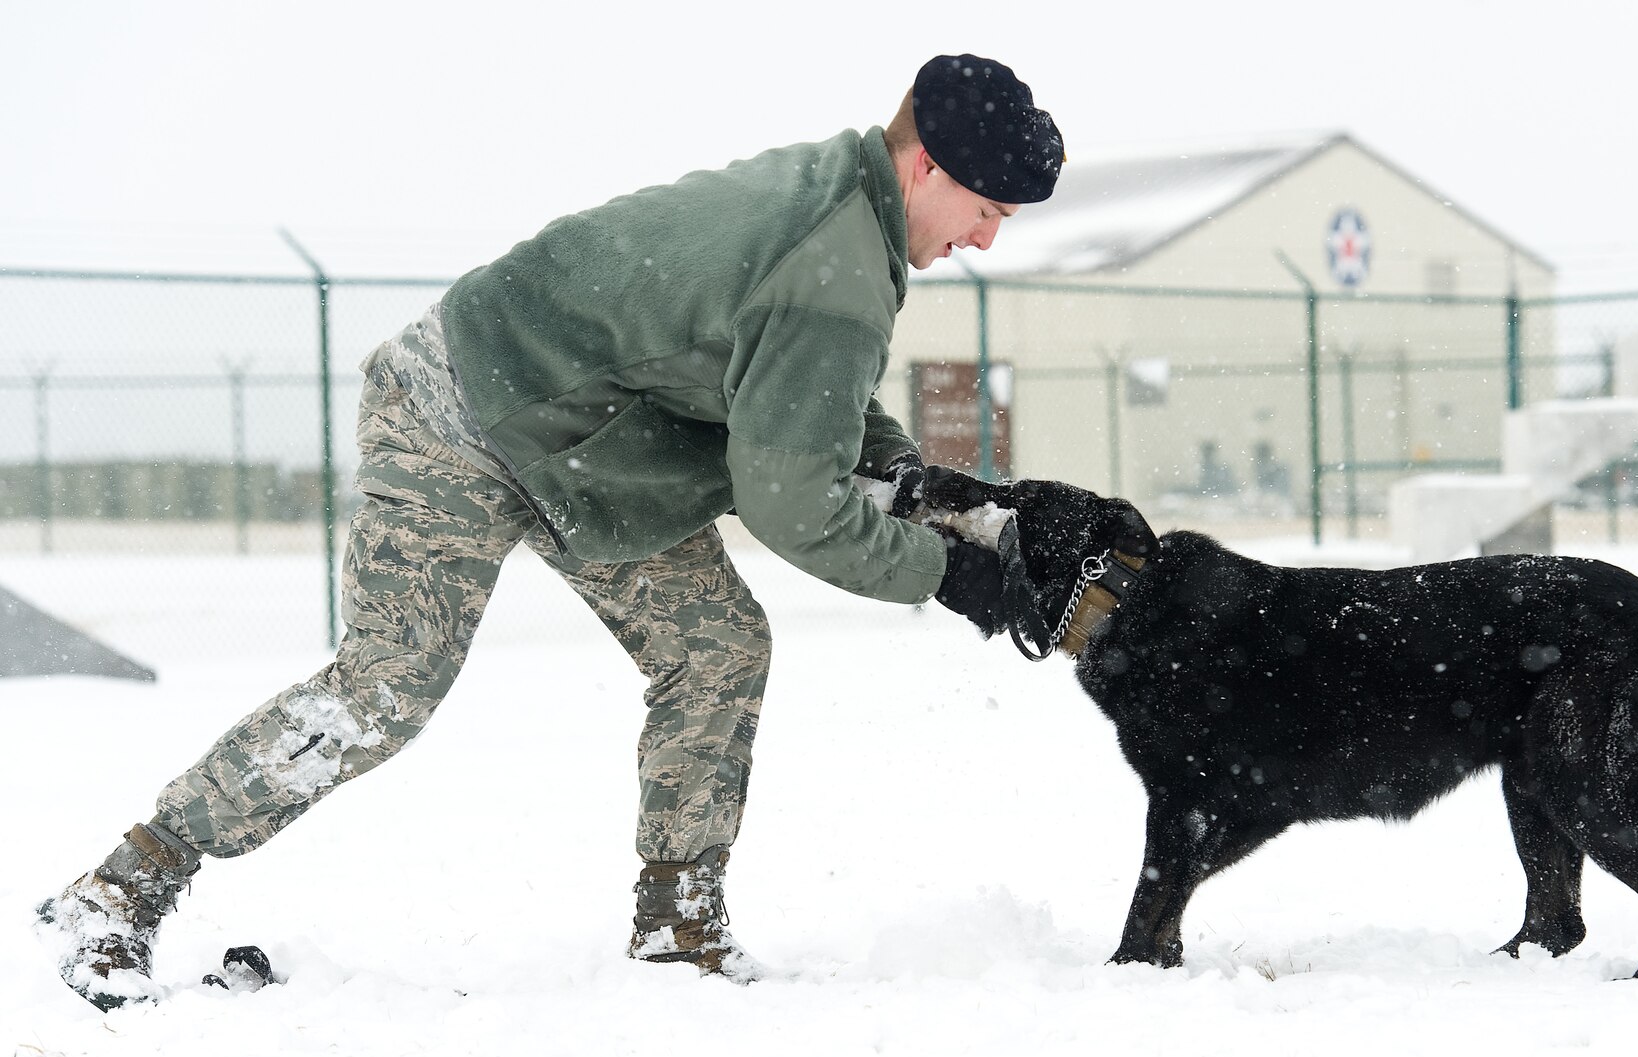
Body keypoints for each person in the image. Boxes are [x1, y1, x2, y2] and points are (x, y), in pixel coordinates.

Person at [37, 53, 1064, 1008]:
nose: (985, 238)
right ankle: (123, 885)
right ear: (924, 166)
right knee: (387, 684)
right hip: (461, 413)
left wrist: (897, 468)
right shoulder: (834, 259)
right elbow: (793, 504)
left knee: (715, 649)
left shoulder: (843, 211)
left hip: (589, 452)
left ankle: (678, 930)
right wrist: (948, 575)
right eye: (986, 210)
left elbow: (797, 398)